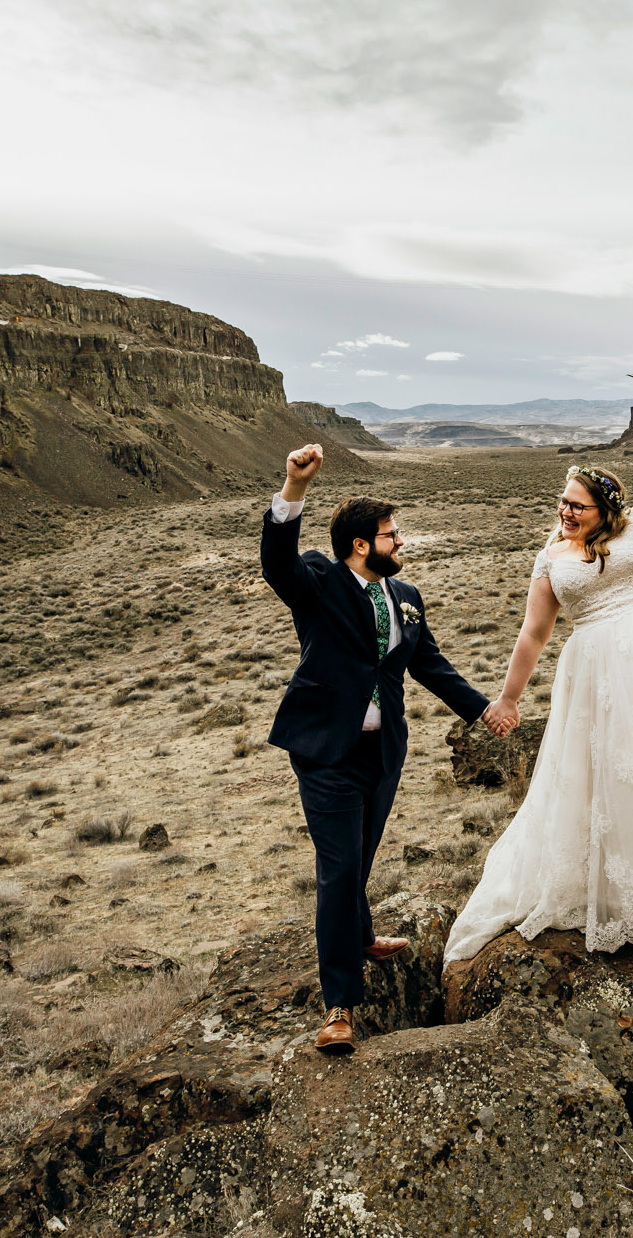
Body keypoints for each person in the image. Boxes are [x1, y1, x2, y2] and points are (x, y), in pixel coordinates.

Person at [445, 370, 633, 965]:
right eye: (562, 502)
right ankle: (626, 894)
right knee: (620, 772)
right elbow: (534, 632)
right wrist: (507, 699)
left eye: (577, 506)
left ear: (604, 510)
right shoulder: (550, 558)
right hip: (601, 679)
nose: (565, 512)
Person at [261, 443, 504, 1054]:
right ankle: (340, 1004)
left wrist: (483, 709)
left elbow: (429, 664)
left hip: (381, 750)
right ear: (361, 544)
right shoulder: (317, 580)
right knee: (338, 868)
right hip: (325, 751)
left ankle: (360, 931)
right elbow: (276, 562)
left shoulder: (406, 597)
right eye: (392, 536)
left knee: (359, 855)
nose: (402, 544)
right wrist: (294, 487)